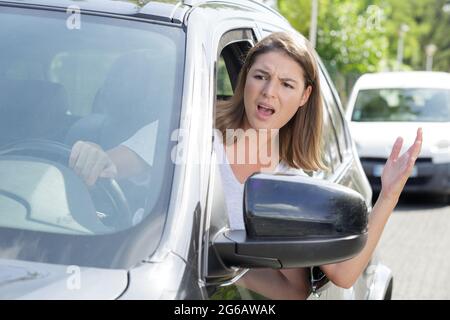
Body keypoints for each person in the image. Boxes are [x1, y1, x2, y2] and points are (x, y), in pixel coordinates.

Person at [68, 31, 423, 299]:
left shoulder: (291, 184)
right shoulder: (189, 133)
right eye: (260, 76)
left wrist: (389, 193)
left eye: (286, 84)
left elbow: (335, 278)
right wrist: (90, 154)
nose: (269, 92)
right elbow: (104, 169)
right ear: (245, 79)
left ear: (304, 96)